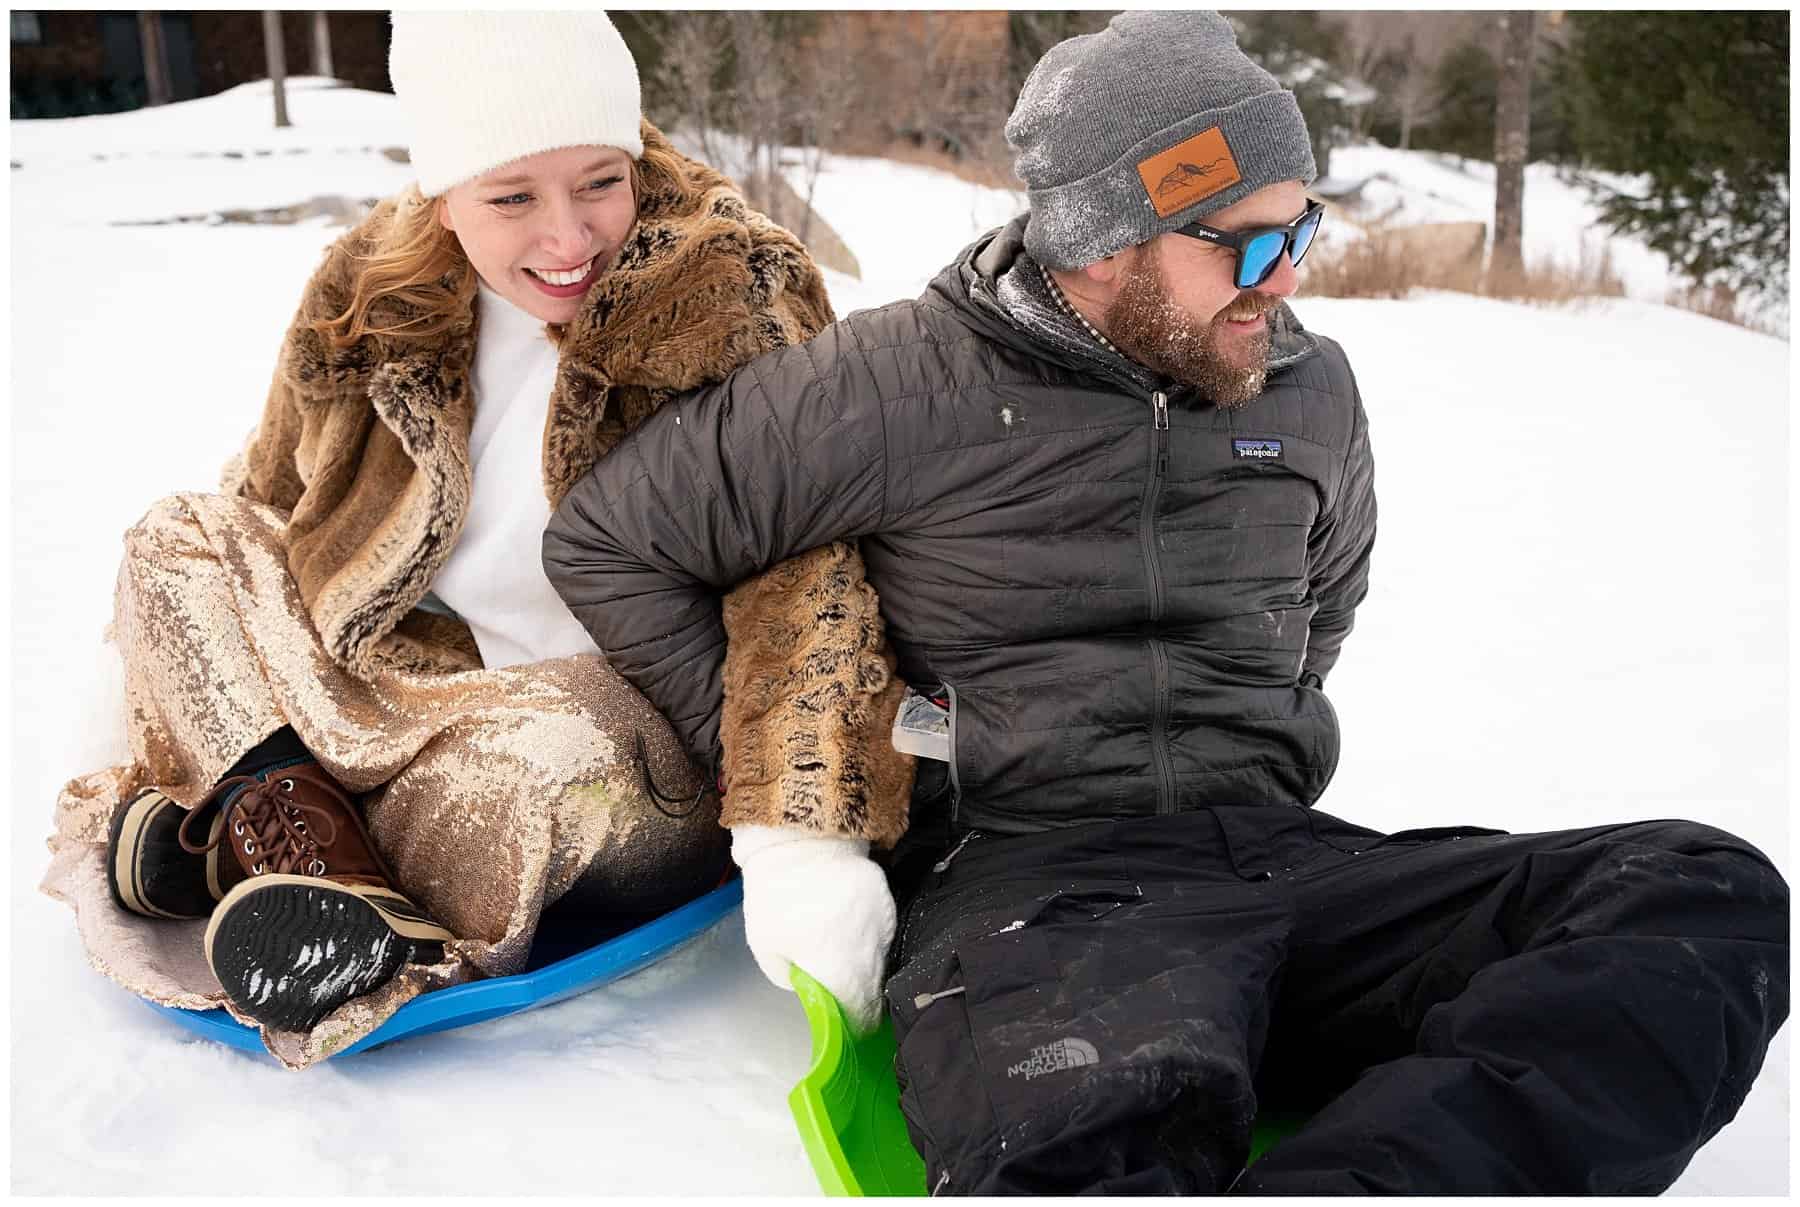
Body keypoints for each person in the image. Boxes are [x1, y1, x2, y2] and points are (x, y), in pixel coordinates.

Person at [542, 10, 1790, 1195]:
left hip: (1294, 863)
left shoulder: (1309, 387)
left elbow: (1325, 604)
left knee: (1696, 895)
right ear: (1097, 239)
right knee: (1097, 1140)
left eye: (1302, 231)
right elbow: (612, 541)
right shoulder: (894, 383)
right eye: (1241, 242)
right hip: (1042, 889)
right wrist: (801, 792)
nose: (1282, 277)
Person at [42, 11, 908, 1061]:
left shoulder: (727, 300)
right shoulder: (368, 287)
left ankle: (248, 818)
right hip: (384, 675)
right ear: (442, 199)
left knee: (548, 786)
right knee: (180, 533)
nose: (568, 236)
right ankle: (302, 842)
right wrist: (205, 642)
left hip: (603, 719)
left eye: (600, 180)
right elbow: (262, 497)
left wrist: (802, 835)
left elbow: (807, 575)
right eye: (512, 197)